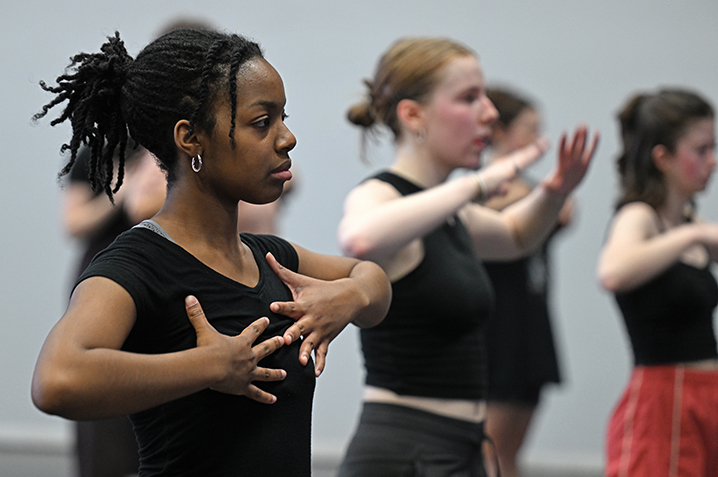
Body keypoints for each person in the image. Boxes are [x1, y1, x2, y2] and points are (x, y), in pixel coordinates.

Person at [31, 28, 391, 477]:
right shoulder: (138, 263)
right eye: (263, 123)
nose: (288, 138)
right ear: (191, 139)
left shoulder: (269, 257)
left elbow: (372, 277)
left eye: (284, 118)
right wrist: (207, 366)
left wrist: (349, 299)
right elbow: (56, 382)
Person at [336, 37, 598, 476]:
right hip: (405, 450)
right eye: (469, 98)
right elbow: (360, 239)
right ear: (413, 114)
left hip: (460, 446)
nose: (490, 114)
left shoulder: (452, 215)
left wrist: (555, 189)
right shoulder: (381, 194)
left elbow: (516, 236)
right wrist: (475, 186)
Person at [598, 89, 718, 476]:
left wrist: (694, 234)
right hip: (663, 402)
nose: (712, 162)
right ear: (662, 158)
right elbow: (612, 272)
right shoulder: (639, 217)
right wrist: (693, 237)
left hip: (706, 399)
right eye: (701, 150)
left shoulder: (688, 225)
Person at [481, 87, 573, 477]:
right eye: (529, 130)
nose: (538, 140)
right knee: (490, 453)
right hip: (498, 332)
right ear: (499, 132)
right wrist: (537, 196)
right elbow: (492, 213)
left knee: (509, 455)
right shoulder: (481, 187)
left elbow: (565, 212)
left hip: (531, 327)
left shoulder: (532, 189)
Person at [63, 144, 165, 477]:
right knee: (98, 385)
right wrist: (122, 190)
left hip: (150, 278)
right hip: (101, 276)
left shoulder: (162, 149)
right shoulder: (94, 157)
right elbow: (75, 222)